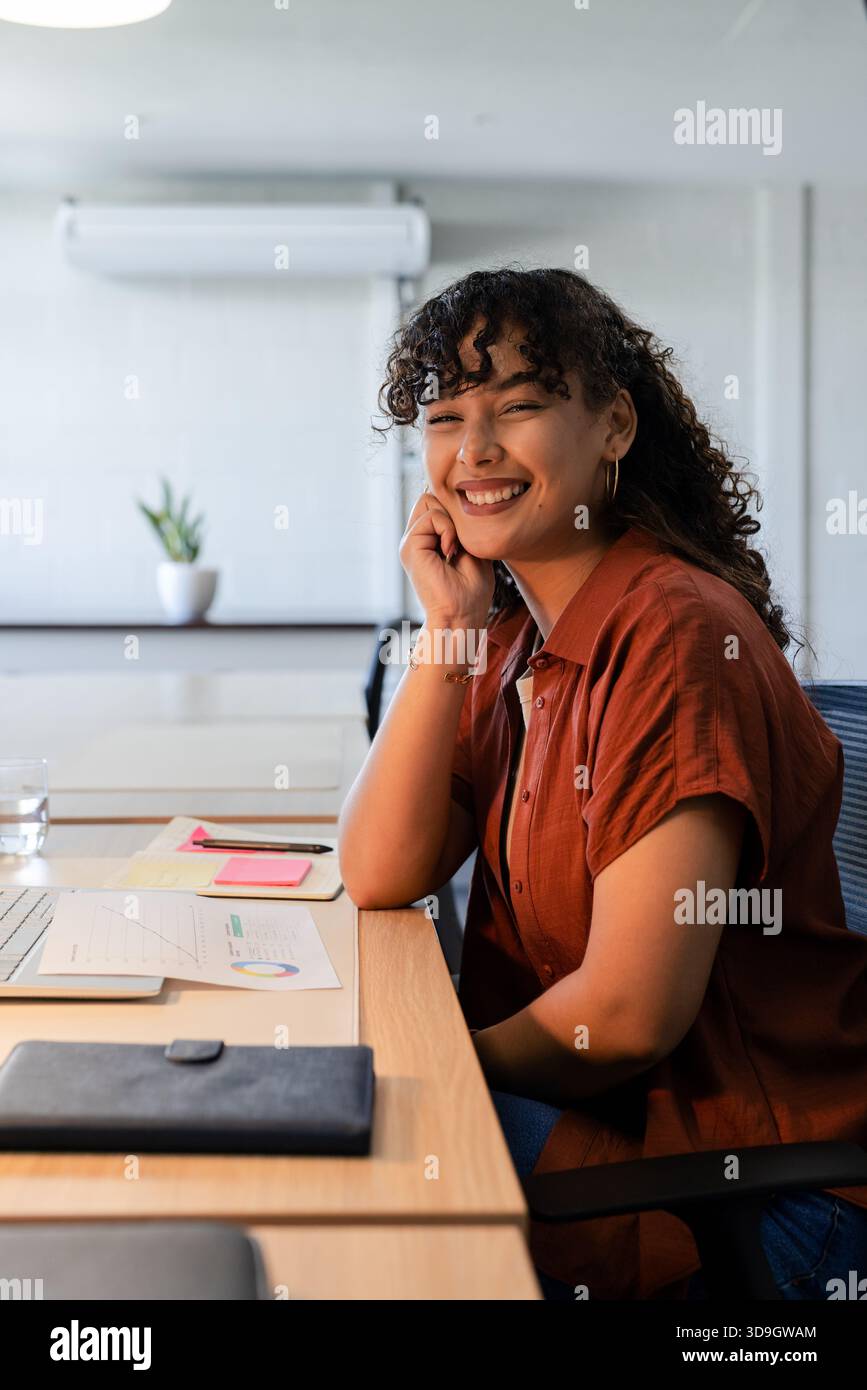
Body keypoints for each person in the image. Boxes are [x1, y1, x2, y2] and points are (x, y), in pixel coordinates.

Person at [338, 267, 867, 1300]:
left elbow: (626, 1013)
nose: (474, 451)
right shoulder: (509, 636)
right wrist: (449, 628)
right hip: (619, 1134)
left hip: (746, 1196)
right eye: (445, 419)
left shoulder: (671, 632)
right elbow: (376, 868)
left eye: (519, 406)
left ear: (614, 423)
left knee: (361, 1169)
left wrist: (439, 1060)